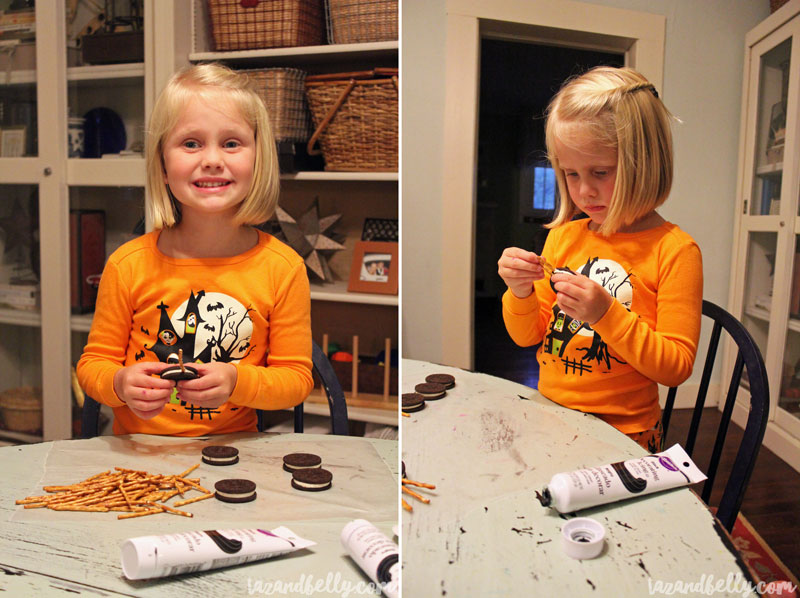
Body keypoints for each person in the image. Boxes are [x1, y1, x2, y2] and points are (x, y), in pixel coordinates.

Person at [77, 63, 314, 436]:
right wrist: (120, 384)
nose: (213, 160)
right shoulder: (127, 265)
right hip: (138, 458)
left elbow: (297, 380)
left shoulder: (283, 268)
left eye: (232, 143)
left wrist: (238, 380)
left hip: (235, 456)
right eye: (191, 143)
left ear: (259, 159)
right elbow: (93, 365)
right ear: (163, 165)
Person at [497, 66, 702, 453]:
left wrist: (606, 313)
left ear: (647, 162)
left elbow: (675, 368)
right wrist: (519, 291)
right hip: (551, 416)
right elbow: (527, 335)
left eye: (601, 172)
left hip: (626, 435)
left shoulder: (675, 250)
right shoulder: (561, 239)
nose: (584, 191)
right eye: (570, 174)